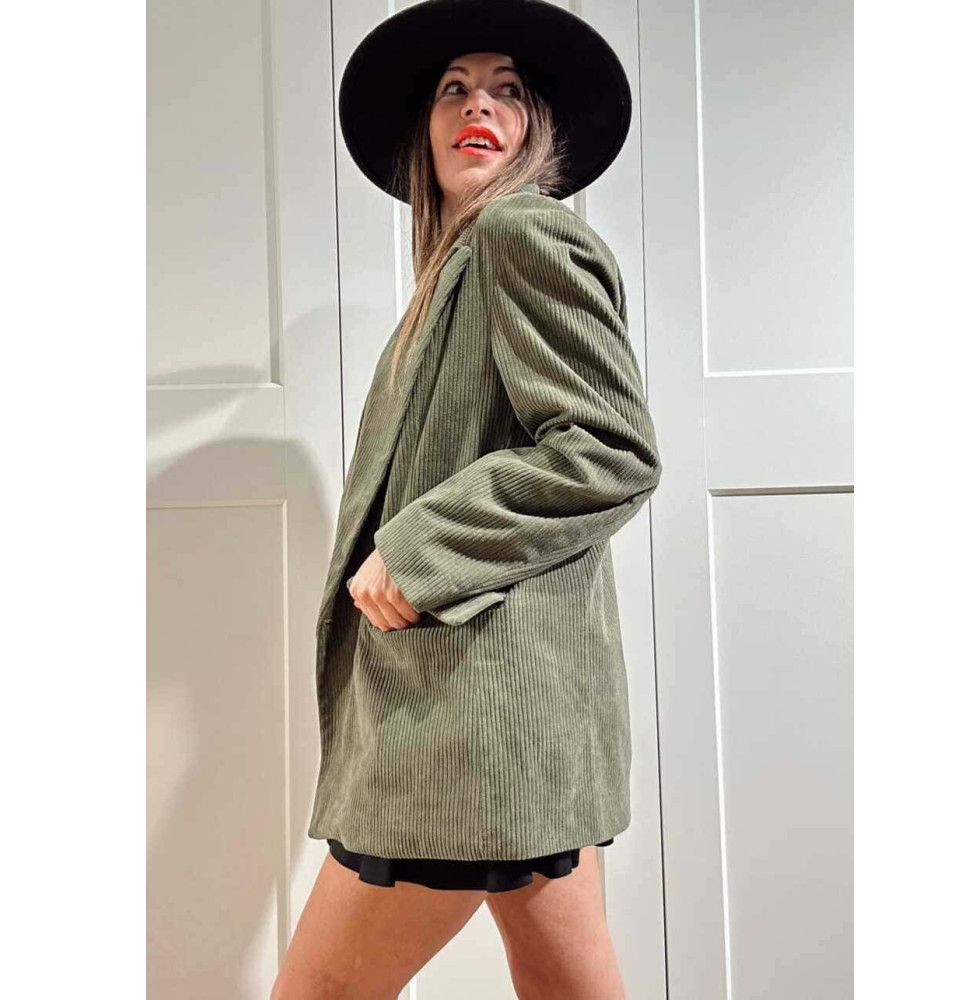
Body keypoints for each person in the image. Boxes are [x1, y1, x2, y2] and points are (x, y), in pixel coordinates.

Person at [272, 1, 660, 997]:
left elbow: (610, 448)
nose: (476, 106)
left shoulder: (519, 234)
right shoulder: (457, 267)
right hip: (515, 716)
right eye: (454, 89)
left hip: (466, 721)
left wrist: (420, 548)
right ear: (426, 129)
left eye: (506, 91)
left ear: (537, 128)